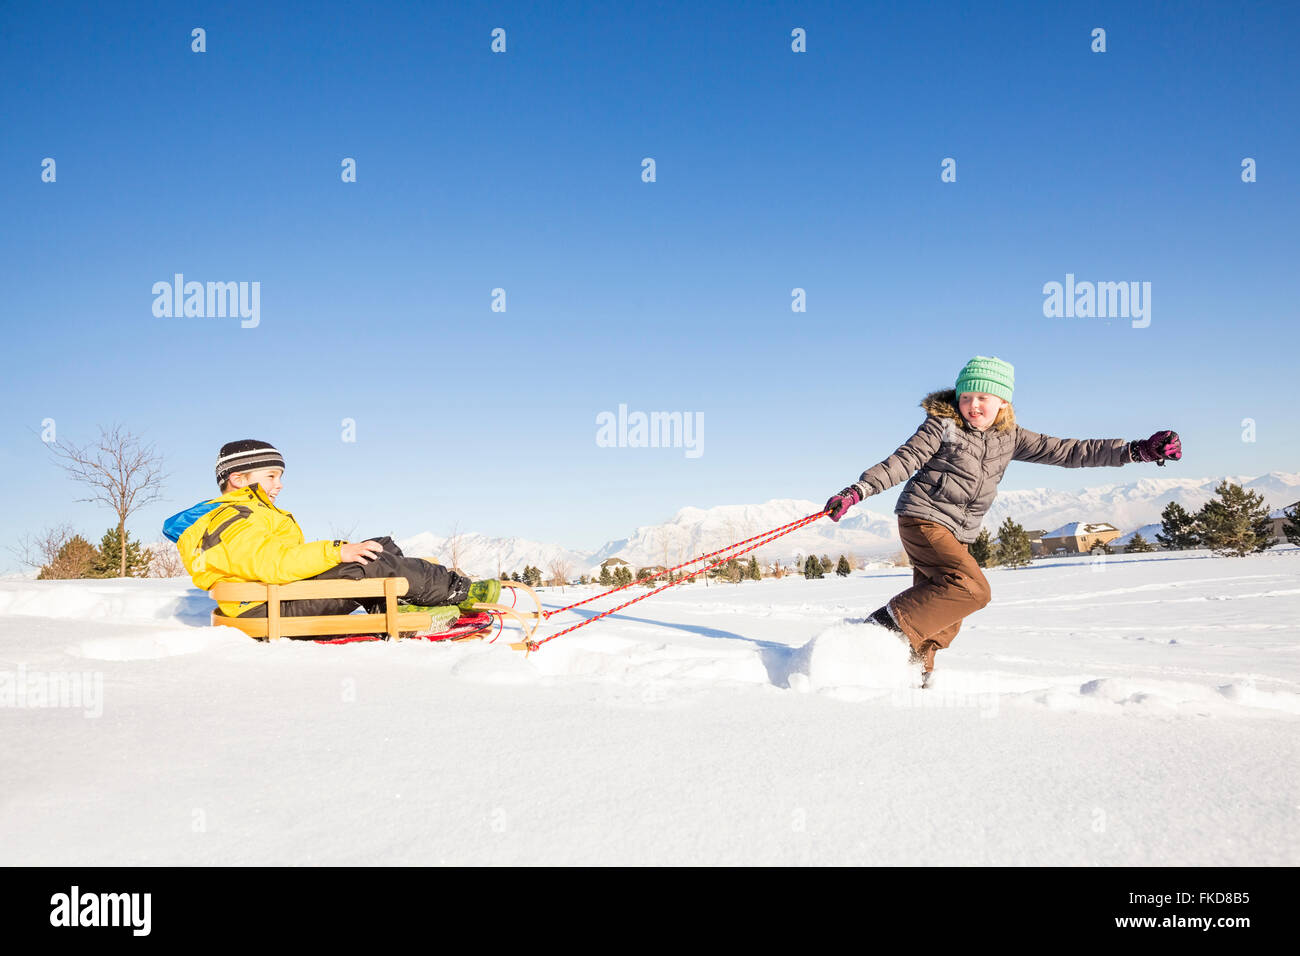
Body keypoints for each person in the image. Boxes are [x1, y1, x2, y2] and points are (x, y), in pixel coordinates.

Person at [823, 356, 1181, 686]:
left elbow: (1069, 451)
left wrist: (1136, 450)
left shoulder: (1010, 438)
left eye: (983, 398)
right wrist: (859, 490)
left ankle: (910, 673)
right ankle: (875, 631)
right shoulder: (942, 426)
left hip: (958, 531)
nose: (973, 405)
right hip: (923, 519)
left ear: (1003, 402)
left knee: (943, 614)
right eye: (966, 397)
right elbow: (904, 459)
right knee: (972, 589)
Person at [162, 439, 498, 626]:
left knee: (377, 545)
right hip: (266, 610)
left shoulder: (249, 512)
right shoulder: (232, 518)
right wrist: (335, 552)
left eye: (280, 476)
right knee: (367, 560)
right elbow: (271, 563)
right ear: (237, 478)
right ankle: (459, 591)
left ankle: (395, 607)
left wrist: (339, 553)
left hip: (278, 597)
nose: (279, 485)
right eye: (271, 476)